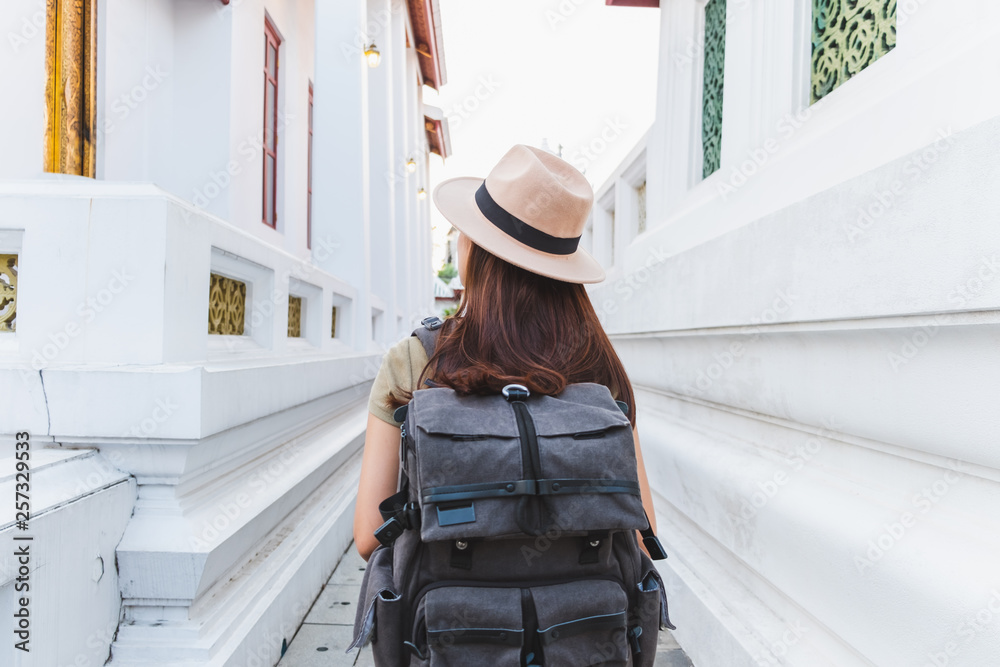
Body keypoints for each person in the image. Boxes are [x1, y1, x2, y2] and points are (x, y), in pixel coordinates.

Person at [352, 143, 656, 561]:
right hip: (583, 620)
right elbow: (643, 535)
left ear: (474, 250)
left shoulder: (416, 360)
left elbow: (371, 537)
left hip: (449, 617)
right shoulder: (597, 367)